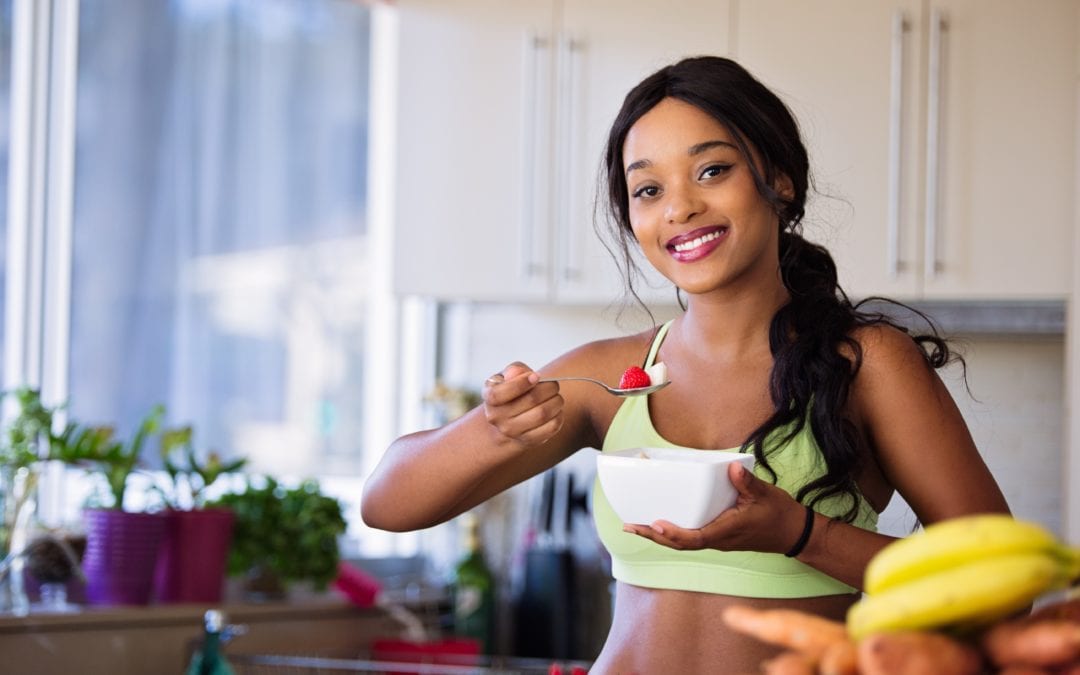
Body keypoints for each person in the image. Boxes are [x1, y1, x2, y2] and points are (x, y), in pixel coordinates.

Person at [360, 56, 1008, 673]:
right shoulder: (614, 376)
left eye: (711, 170)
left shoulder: (865, 364)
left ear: (778, 177)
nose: (679, 207)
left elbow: (998, 590)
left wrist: (799, 532)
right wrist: (493, 430)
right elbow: (388, 502)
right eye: (648, 188)